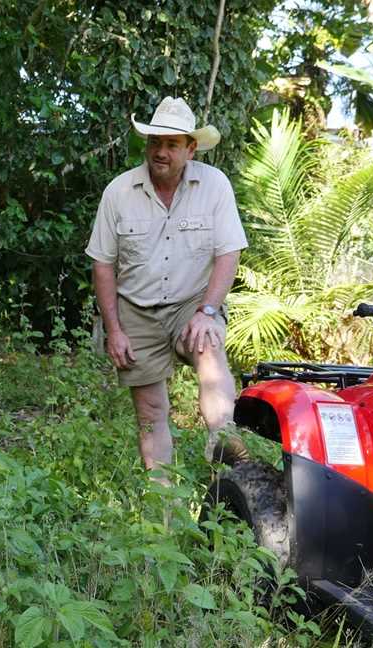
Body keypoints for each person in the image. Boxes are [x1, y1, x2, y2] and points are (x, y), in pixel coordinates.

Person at [85, 96, 248, 481]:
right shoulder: (119, 192)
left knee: (207, 344)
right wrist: (115, 330)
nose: (161, 152)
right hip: (136, 309)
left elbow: (229, 253)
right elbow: (103, 264)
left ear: (191, 148)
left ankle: (223, 435)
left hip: (192, 302)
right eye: (155, 142)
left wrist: (207, 311)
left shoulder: (215, 186)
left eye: (172, 144)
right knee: (150, 413)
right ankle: (164, 513)